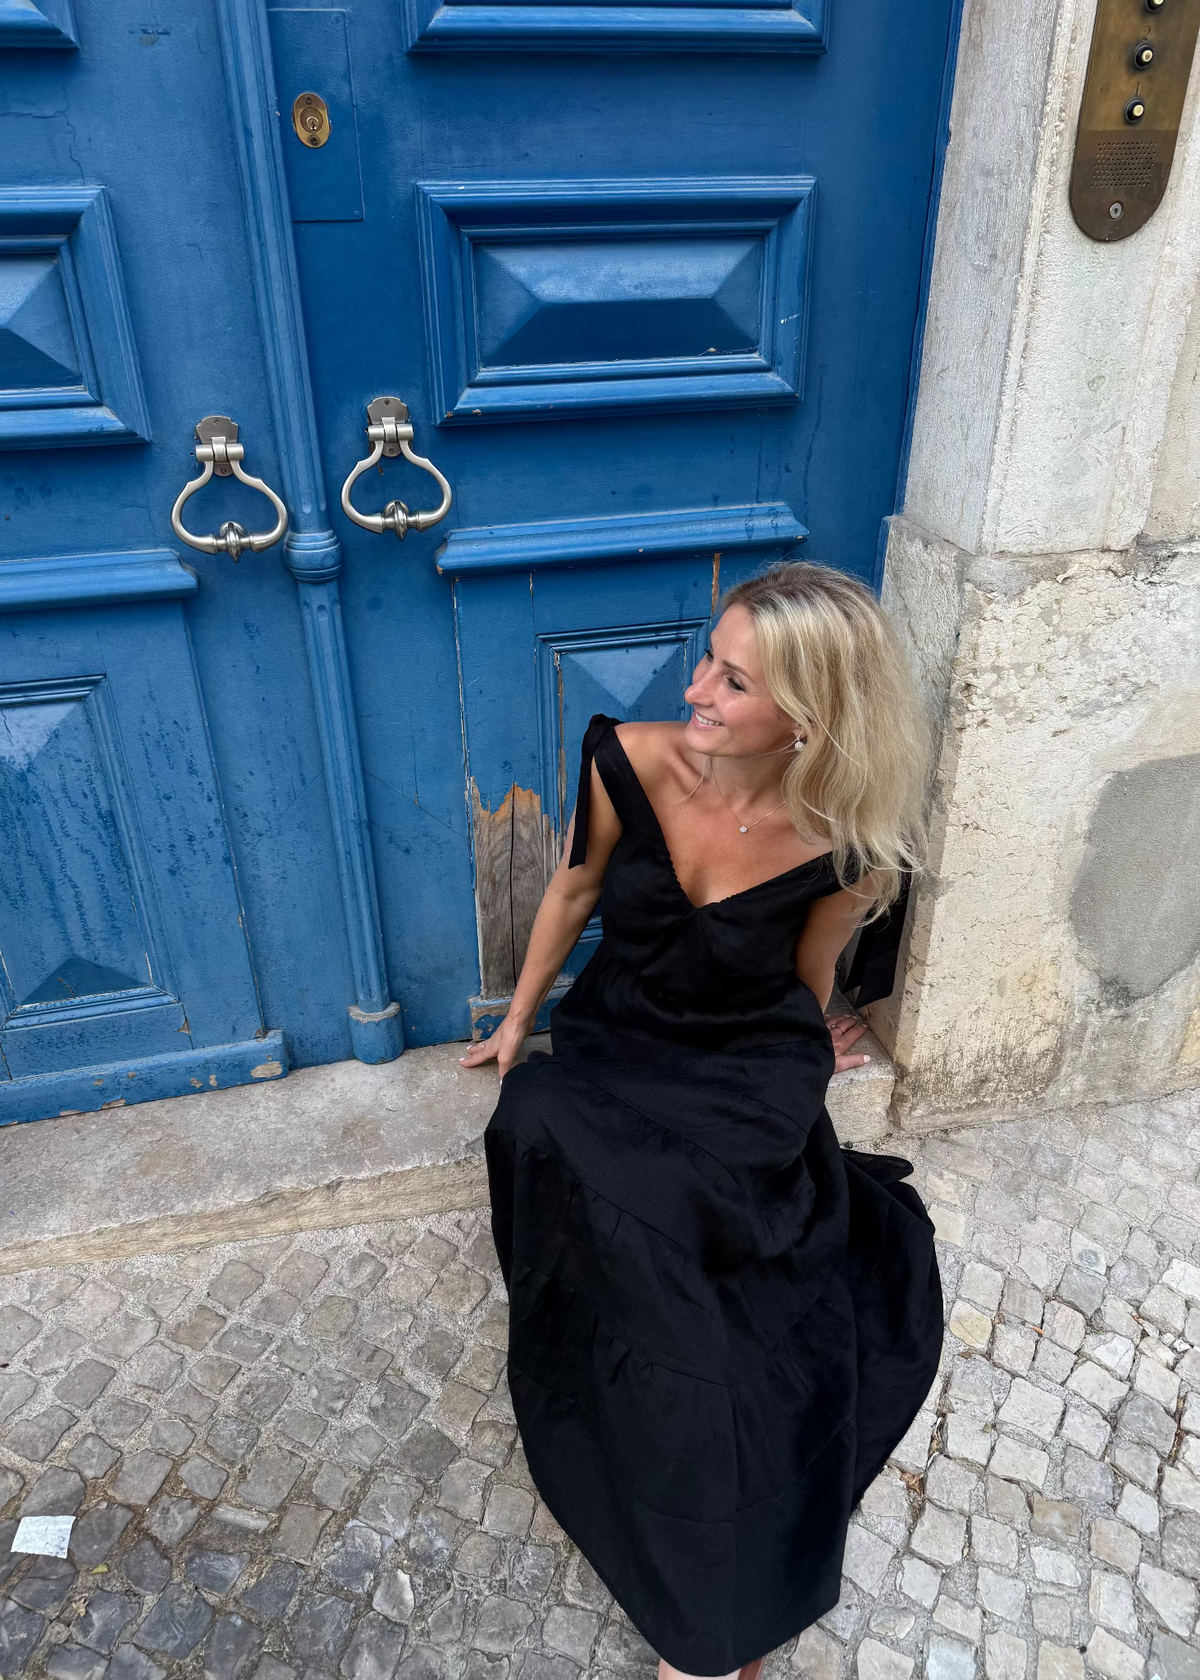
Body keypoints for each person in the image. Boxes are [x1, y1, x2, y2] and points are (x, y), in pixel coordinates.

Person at [461, 561, 943, 1680]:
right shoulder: (625, 760)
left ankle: (715, 1608)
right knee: (533, 1112)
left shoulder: (841, 843)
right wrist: (517, 1022)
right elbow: (573, 892)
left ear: (809, 719)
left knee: (714, 1308)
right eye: (709, 660)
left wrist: (810, 1048)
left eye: (734, 682)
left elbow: (809, 974)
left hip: (744, 1068)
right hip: (623, 1043)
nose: (695, 690)